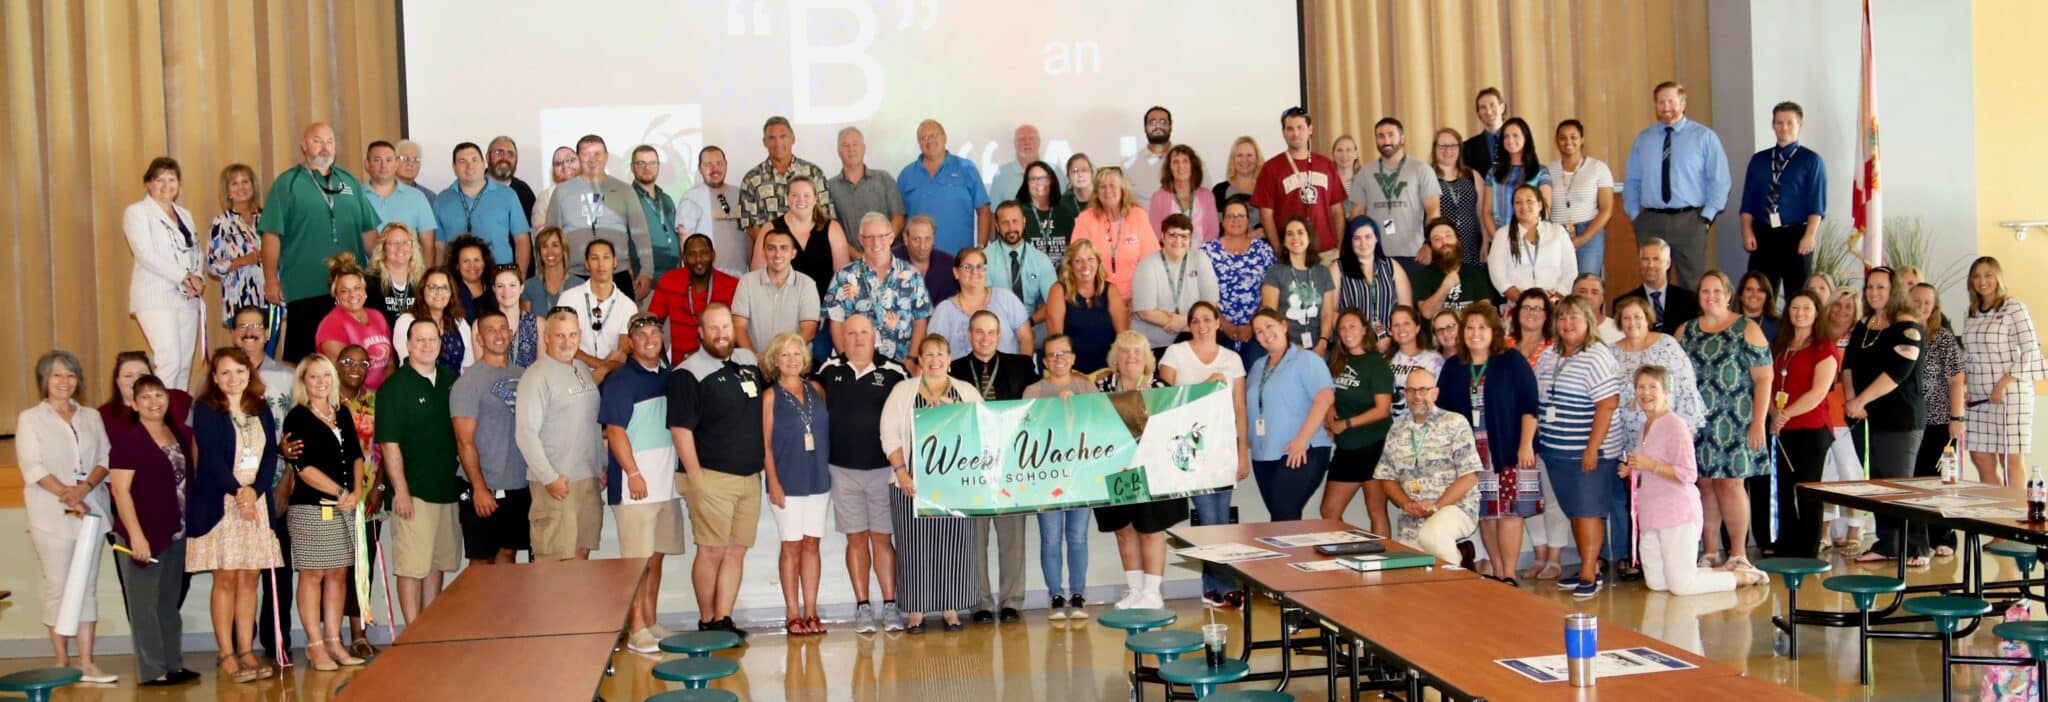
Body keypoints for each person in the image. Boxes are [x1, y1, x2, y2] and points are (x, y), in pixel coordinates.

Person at [17, 350, 118, 683]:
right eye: (57, 375)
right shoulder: (30, 418)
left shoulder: (91, 415)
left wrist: (84, 488)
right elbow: (33, 466)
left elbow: (105, 456)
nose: (64, 381)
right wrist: (67, 494)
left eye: (70, 375)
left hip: (91, 511)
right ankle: (61, 661)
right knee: (59, 586)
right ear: (44, 380)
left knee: (86, 587)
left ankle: (87, 662)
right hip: (50, 515)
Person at [1624, 365, 1768, 595]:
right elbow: (1646, 463)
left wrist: (1649, 465)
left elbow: (1688, 474)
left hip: (1676, 514)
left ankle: (1740, 576)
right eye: (1641, 387)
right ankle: (1720, 573)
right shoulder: (1646, 426)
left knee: (1681, 587)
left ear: (1666, 393)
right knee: (1658, 583)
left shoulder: (1675, 425)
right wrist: (1630, 468)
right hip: (1651, 515)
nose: (1646, 393)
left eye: (1653, 387)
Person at [188, 347, 285, 683]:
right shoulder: (206, 409)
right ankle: (226, 654)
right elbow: (211, 459)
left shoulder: (259, 408)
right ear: (214, 378)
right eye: (225, 372)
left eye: (239, 372)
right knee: (226, 579)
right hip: (222, 503)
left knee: (250, 579)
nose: (233, 379)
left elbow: (271, 455)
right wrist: (238, 491)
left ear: (249, 374)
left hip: (254, 502)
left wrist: (254, 491)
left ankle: (247, 650)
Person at [669, 304, 765, 637]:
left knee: (736, 550)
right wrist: (697, 478)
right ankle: (707, 619)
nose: (721, 334)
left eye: (726, 327)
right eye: (714, 328)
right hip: (710, 477)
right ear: (701, 332)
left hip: (749, 478)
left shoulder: (748, 362)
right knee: (711, 550)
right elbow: (680, 429)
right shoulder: (687, 373)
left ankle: (723, 619)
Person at [816, 314, 911, 633]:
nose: (857, 338)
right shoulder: (828, 371)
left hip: (884, 471)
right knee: (856, 539)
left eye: (864, 333)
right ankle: (862, 607)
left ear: (875, 337)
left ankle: (890, 605)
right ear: (842, 338)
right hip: (842, 471)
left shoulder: (895, 372)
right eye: (851, 333)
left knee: (882, 540)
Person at [881, 335, 982, 631]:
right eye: (928, 355)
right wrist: (901, 474)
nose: (935, 360)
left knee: (954, 545)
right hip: (909, 481)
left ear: (950, 359)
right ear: (920, 361)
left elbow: (982, 429)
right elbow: (889, 435)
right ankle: (916, 610)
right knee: (914, 546)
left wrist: (953, 408)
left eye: (941, 354)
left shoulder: (965, 392)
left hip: (955, 482)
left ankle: (951, 608)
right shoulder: (903, 391)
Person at [1435, 303, 1541, 584]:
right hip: (1471, 455)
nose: (1475, 333)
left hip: (1508, 448)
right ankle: (1497, 572)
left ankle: (1509, 574)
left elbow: (1530, 405)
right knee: (1486, 514)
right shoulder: (1453, 367)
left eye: (1482, 327)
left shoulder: (1511, 361)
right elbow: (1442, 414)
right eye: (1469, 327)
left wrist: (1526, 444)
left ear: (1494, 331)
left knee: (1509, 512)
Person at [1157, 303, 1253, 606]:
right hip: (1188, 447)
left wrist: (1243, 452)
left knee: (1220, 519)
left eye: (1207, 320)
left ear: (1217, 323)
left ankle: (1213, 588)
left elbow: (1239, 408)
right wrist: (1205, 384)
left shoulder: (1232, 359)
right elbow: (1165, 400)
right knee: (1209, 518)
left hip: (1222, 446)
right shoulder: (1175, 354)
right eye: (1195, 321)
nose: (1201, 325)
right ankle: (1226, 585)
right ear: (1189, 325)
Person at [107, 374, 201, 685]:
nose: (153, 402)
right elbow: (120, 492)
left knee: (168, 602)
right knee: (144, 605)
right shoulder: (128, 441)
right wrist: (136, 536)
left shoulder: (178, 435)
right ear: (134, 404)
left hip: (175, 531)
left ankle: (173, 663)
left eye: (158, 395)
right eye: (144, 397)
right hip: (143, 534)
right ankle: (153, 670)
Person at [262, 123, 383, 363]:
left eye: (330, 141)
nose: (325, 147)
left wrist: (385, 271)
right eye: (318, 141)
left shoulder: (349, 181)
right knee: (306, 361)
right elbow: (271, 235)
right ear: (304, 145)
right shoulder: (287, 184)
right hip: (305, 288)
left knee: (348, 359)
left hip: (348, 291)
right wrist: (271, 279)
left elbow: (369, 234)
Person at [1678, 270, 1773, 573]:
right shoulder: (1685, 331)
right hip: (1697, 424)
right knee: (1704, 484)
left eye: (1717, 291)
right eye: (1705, 291)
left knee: (1731, 485)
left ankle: (1738, 553)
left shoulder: (1747, 329)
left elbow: (1764, 378)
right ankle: (1709, 551)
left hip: (1736, 421)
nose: (1711, 297)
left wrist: (1758, 422)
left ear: (1729, 295)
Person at [600, 314, 684, 652]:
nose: (649, 339)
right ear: (630, 342)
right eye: (641, 334)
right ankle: (635, 629)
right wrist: (633, 473)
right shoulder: (620, 381)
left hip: (666, 487)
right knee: (636, 563)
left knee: (656, 558)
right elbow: (615, 431)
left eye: (654, 333)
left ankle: (650, 619)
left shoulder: (669, 377)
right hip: (637, 488)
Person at [951, 311, 1041, 622]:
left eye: (991, 333)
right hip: (970, 467)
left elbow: (1038, 408)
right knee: (974, 539)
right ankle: (980, 603)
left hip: (1012, 466)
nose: (985, 338)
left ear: (1000, 336)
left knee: (1012, 537)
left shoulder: (1020, 366)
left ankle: (1012, 602)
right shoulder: (954, 369)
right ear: (969, 335)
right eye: (979, 332)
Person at [280, 355, 366, 671]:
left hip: (344, 507)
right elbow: (303, 468)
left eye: (326, 376)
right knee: (313, 574)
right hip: (311, 509)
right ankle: (315, 645)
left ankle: (334, 641)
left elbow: (356, 456)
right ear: (303, 382)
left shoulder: (341, 412)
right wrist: (339, 492)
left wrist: (356, 492)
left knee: (338, 573)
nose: (321, 382)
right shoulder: (297, 418)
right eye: (313, 377)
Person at [1610, 295, 1708, 575]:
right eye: (1626, 318)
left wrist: (1682, 433)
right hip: (1630, 440)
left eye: (1638, 317)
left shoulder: (1667, 345)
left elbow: (1687, 389)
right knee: (1637, 498)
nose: (1632, 323)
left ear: (1648, 318)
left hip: (1666, 436)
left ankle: (1678, 558)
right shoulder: (1611, 351)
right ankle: (1638, 558)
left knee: (1669, 491)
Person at [1534, 296, 1624, 597]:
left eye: (1574, 318)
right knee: (1575, 511)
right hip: (1557, 451)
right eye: (1561, 318)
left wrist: (1591, 448)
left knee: (1587, 511)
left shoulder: (1598, 355)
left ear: (1588, 321)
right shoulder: (1549, 355)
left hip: (1589, 452)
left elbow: (1608, 405)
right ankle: (1591, 566)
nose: (1567, 324)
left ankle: (1588, 572)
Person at [1094, 331, 1187, 609]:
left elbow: (1174, 427)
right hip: (1115, 470)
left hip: (1151, 470)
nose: (1131, 357)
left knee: (1150, 529)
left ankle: (1153, 592)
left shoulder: (1159, 386)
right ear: (1116, 357)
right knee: (1124, 530)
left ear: (1146, 357)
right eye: (1125, 351)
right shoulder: (1099, 389)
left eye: (1137, 351)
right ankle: (1135, 590)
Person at [377, 319, 462, 623]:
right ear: (408, 344)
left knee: (436, 563)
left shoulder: (451, 381)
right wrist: (400, 491)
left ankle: (428, 631)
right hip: (413, 493)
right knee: (412, 566)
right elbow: (389, 444)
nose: (427, 346)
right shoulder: (394, 388)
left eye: (433, 340)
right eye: (420, 340)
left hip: (446, 491)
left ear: (440, 344)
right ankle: (411, 636)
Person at [1844, 268, 1930, 567]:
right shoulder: (1864, 324)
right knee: (1878, 484)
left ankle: (1916, 546)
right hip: (1868, 417)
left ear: (1894, 290)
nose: (1874, 292)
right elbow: (1849, 365)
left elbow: (1897, 373)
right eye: (1869, 287)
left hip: (1901, 419)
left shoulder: (1909, 326)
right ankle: (1887, 543)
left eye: (1881, 287)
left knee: (1901, 486)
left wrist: (1861, 399)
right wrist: (1851, 401)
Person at [752, 332, 832, 635]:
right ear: (775, 360)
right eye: (785, 355)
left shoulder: (816, 390)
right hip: (787, 479)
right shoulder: (770, 397)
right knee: (792, 546)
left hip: (818, 479)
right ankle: (792, 613)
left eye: (797, 354)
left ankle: (811, 611)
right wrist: (772, 481)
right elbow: (766, 445)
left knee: (812, 545)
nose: (792, 360)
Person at [1623, 81, 1731, 288]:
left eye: (1671, 102)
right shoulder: (1644, 139)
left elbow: (1720, 180)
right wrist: (1635, 216)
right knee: (1653, 282)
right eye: (1660, 102)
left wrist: (1706, 217)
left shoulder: (1704, 137)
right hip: (1651, 221)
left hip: (1690, 221)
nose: (1666, 107)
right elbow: (1632, 180)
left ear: (1683, 103)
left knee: (1692, 285)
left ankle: (1690, 322)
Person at [517, 310, 604, 562]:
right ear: (546, 338)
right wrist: (549, 477)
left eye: (573, 335)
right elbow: (525, 433)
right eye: (560, 336)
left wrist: (600, 465)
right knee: (554, 565)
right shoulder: (536, 375)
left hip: (587, 480)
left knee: (580, 559)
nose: (567, 342)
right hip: (556, 484)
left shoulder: (582, 369)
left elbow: (591, 423)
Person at [1376, 367, 1484, 566]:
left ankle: (1460, 585)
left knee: (1432, 536)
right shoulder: (1396, 429)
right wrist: (1406, 504)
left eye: (1424, 390)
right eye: (1411, 390)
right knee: (1408, 571)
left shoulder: (1455, 423)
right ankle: (1462, 555)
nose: (1417, 396)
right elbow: (1386, 478)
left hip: (1455, 508)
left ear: (1435, 393)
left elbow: (1469, 477)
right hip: (1412, 517)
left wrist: (1436, 506)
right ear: (1404, 394)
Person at [1023, 335, 1099, 618]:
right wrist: (1055, 406)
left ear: (1073, 358)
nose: (1058, 359)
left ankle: (1078, 593)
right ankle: (1055, 594)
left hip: (1081, 476)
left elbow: (1097, 427)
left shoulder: (1086, 388)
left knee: (1078, 536)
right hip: (1046, 477)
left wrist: (1075, 406)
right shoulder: (1033, 391)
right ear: (1044, 362)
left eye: (1063, 353)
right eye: (1052, 355)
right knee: (1051, 537)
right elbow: (1026, 433)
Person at [450, 310, 531, 567]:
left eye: (503, 328)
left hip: (518, 483)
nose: (499, 334)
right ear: (480, 338)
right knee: (482, 561)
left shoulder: (525, 375)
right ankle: (478, 610)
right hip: (484, 486)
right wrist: (479, 488)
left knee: (508, 554)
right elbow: (464, 442)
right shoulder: (469, 382)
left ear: (511, 334)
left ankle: (504, 610)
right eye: (491, 330)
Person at [1246, 309, 1337, 521]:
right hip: (1264, 454)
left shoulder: (1307, 360)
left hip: (1302, 450)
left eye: (1270, 326)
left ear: (1284, 326)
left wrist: (1301, 440)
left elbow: (1324, 399)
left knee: (1284, 515)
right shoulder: (1258, 367)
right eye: (1259, 331)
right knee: (1282, 521)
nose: (1265, 334)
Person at [1768, 291, 1840, 559]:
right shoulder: (1780, 344)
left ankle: (1809, 548)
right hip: (1783, 429)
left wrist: (1785, 414)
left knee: (1808, 490)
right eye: (1795, 307)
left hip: (1812, 429)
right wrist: (1774, 413)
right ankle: (1787, 543)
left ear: (1817, 313)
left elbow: (1818, 392)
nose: (1799, 312)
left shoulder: (1824, 347)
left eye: (1806, 308)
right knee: (1785, 489)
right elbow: (1769, 385)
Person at [1964, 256, 2046, 487]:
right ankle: (1996, 512)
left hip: (2010, 395)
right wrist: (1965, 385)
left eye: (1988, 275)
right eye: (1977, 276)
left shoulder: (2014, 308)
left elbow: (2031, 350)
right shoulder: (1971, 312)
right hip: (1979, 397)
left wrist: (2002, 384)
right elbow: (1970, 354)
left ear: (1998, 277)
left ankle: (2014, 515)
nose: (1982, 281)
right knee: (1980, 456)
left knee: (2010, 458)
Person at [126, 157, 207, 390]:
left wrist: (197, 277)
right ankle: (155, 418)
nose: (166, 185)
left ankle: (176, 420)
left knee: (183, 365)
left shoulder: (185, 214)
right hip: (156, 297)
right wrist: (183, 275)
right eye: (159, 179)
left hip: (186, 298)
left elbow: (196, 251)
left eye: (171, 179)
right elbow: (144, 253)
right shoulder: (137, 212)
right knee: (169, 359)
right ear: (148, 183)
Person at [545, 135, 653, 299]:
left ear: (606, 157)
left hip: (617, 274)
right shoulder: (561, 192)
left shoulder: (624, 190)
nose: (592, 159)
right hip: (575, 275)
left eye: (597, 154)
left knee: (622, 324)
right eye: (586, 154)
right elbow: (551, 237)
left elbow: (641, 234)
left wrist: (646, 271)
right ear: (578, 157)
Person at [1740, 102, 1828, 300]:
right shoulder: (1759, 160)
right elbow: (1748, 202)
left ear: (1800, 125)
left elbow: (1817, 204)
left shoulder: (1811, 160)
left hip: (1796, 234)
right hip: (1763, 233)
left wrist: (1809, 236)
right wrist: (1747, 232)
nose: (1784, 128)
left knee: (1797, 294)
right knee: (1759, 292)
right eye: (1779, 123)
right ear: (1773, 125)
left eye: (1789, 122)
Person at [827, 214, 935, 364]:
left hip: (901, 364)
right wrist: (846, 360)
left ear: (891, 238)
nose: (876, 242)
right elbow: (836, 322)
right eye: (869, 237)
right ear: (861, 240)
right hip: (856, 365)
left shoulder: (912, 276)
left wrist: (912, 359)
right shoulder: (843, 276)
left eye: (882, 236)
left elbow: (921, 321)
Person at [1321, 310, 1394, 528]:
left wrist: (1347, 423)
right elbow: (1328, 394)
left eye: (1352, 326)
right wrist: (1330, 407)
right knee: (1329, 511)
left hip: (1374, 445)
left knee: (1376, 510)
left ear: (1364, 330)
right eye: (1342, 328)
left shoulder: (1376, 364)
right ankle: (1346, 556)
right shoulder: (1336, 362)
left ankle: (1380, 560)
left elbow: (1383, 410)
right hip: (1346, 447)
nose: (1347, 332)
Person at [1908, 282, 1966, 556]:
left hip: (1939, 422)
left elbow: (1956, 380)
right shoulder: (1902, 335)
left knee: (1938, 482)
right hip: (1909, 423)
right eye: (1916, 301)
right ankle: (1918, 540)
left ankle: (1943, 536)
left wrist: (1957, 417)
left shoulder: (1942, 337)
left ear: (1934, 307)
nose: (1921, 306)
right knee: (1914, 482)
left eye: (1926, 302)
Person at [1255, 107, 1347, 254]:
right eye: (1290, 129)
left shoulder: (1326, 165)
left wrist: (1339, 246)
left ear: (1310, 130)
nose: (1295, 133)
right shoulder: (1271, 168)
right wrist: (1279, 250)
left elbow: (1337, 210)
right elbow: (1266, 215)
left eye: (1300, 127)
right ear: (1283, 132)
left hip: (1326, 252)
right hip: (1291, 253)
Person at [1351, 118, 1443, 262]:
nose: (1386, 140)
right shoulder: (1364, 173)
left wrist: (1429, 244)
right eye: (1380, 136)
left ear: (1402, 138)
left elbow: (1433, 211)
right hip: (1374, 254)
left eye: (1390, 135)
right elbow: (1357, 215)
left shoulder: (1421, 170)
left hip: (1415, 254)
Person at [433, 142, 531, 276]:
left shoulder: (508, 195)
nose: (469, 166)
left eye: (474, 160)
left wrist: (519, 279)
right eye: (462, 161)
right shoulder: (441, 200)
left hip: (499, 276)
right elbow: (439, 247)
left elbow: (522, 240)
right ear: (454, 167)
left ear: (484, 163)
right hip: (456, 276)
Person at [210, 164, 279, 353]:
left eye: (245, 182)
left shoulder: (268, 217)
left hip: (269, 297)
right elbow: (213, 265)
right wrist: (244, 260)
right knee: (245, 359)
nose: (241, 187)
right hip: (239, 301)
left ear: (253, 186)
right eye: (235, 183)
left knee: (268, 356)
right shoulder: (221, 222)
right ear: (227, 191)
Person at [741, 116, 838, 250]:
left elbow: (826, 217)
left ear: (793, 139)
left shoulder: (813, 173)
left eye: (783, 136)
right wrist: (778, 250)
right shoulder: (752, 179)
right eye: (772, 138)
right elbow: (751, 225)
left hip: (812, 252)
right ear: (764, 142)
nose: (778, 143)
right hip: (774, 257)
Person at [897, 119, 991, 252]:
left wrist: (981, 248)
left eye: (934, 135)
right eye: (923, 138)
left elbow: (983, 210)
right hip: (918, 261)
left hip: (959, 260)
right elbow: (900, 219)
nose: (929, 141)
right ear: (919, 144)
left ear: (944, 137)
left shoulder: (966, 168)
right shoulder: (906, 175)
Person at [1131, 214, 1220, 351]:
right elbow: (1145, 312)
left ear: (1190, 239)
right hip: (1154, 343)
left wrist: (1183, 321)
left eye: (1184, 236)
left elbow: (1210, 304)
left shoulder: (1200, 259)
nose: (1178, 241)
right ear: (1163, 236)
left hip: (1192, 336)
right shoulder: (1147, 264)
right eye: (1173, 235)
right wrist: (1178, 323)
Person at [648, 234, 739, 362]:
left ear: (713, 255)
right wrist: (664, 366)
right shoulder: (669, 281)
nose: (698, 260)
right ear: (684, 258)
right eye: (692, 254)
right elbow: (651, 325)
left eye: (704, 253)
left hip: (719, 365)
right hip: (681, 369)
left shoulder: (731, 285)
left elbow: (737, 333)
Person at [1070, 166, 1159, 299]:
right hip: (1097, 297)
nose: (1108, 191)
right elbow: (1078, 262)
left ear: (1123, 190)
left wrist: (1137, 298)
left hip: (1136, 298)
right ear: (1096, 192)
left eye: (1112, 185)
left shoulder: (1138, 216)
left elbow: (1151, 263)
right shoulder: (1085, 218)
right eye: (1102, 187)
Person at [559, 240, 640, 381]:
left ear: (615, 262)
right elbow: (563, 344)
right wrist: (602, 366)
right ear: (587, 264)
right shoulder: (569, 298)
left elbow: (622, 353)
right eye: (594, 258)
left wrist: (605, 370)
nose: (601, 264)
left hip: (612, 378)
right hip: (572, 375)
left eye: (606, 257)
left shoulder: (628, 306)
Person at [1205, 197, 1276, 359]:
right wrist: (1223, 324)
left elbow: (1271, 292)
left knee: (1255, 374)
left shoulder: (1263, 250)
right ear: (1222, 221)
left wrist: (1253, 325)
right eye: (1230, 216)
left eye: (1240, 216)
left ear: (1248, 220)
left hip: (1257, 329)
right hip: (1216, 328)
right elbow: (1200, 295)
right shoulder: (1207, 251)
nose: (1235, 220)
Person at [932, 247, 1036, 357]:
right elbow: (934, 351)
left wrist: (1024, 370)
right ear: (956, 272)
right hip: (959, 374)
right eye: (967, 267)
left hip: (1008, 373)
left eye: (979, 266)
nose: (974, 271)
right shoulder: (944, 311)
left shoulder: (1006, 299)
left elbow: (1026, 338)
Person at [734, 229, 822, 354]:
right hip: (756, 363)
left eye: (784, 248)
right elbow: (738, 327)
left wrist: (783, 358)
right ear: (763, 252)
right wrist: (754, 357)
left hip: (794, 365)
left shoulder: (807, 284)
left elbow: (809, 331)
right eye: (771, 248)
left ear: (793, 253)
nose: (777, 254)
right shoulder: (747, 282)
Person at [314, 253, 394, 389]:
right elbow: (346, 375)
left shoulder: (377, 316)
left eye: (357, 288)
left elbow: (390, 363)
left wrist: (385, 395)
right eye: (345, 291)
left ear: (365, 290)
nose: (352, 295)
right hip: (352, 401)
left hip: (383, 396)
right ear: (336, 295)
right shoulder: (331, 325)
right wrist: (369, 402)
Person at [1548, 120, 1617, 277]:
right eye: (1563, 138)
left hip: (1589, 232)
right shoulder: (1548, 170)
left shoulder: (1598, 168)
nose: (1568, 142)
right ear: (1557, 141)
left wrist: (1584, 237)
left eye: (1573, 137)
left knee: (1587, 283)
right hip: (1557, 233)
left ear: (1582, 139)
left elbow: (1606, 209)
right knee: (1559, 286)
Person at [1262, 217, 1338, 354]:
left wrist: (1322, 343)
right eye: (1289, 234)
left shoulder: (1323, 272)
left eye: (1300, 232)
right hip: (1285, 347)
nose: (1295, 238)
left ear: (1309, 238)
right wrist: (1292, 347)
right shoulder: (1275, 272)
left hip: (1318, 348)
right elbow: (1269, 317)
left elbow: (1327, 314)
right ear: (1284, 241)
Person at [1488, 185, 1577, 301]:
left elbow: (1571, 270)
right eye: (1518, 202)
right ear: (1513, 208)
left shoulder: (1557, 231)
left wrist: (1554, 300)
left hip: (1554, 303)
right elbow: (1498, 274)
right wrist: (1523, 303)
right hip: (1518, 304)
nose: (1524, 206)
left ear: (1540, 205)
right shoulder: (1502, 235)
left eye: (1529, 200)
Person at [678, 146, 753, 277]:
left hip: (740, 277)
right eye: (708, 164)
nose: (714, 169)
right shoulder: (691, 198)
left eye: (719, 163)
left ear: (726, 165)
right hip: (706, 279)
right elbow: (685, 240)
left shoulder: (740, 195)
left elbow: (750, 235)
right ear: (700, 168)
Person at [985, 200, 1058, 334]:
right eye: (1005, 223)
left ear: (1024, 222)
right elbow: (982, 303)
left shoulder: (1041, 260)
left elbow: (1054, 302)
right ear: (996, 226)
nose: (1011, 227)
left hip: (1032, 323)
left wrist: (1029, 323)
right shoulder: (985, 259)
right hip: (995, 328)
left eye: (1015, 221)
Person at [361, 141, 440, 264]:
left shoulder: (417, 197)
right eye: (377, 160)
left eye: (388, 160)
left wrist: (425, 280)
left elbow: (428, 247)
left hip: (410, 278)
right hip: (366, 278)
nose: (383, 166)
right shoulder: (356, 198)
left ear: (395, 164)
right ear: (367, 164)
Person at [1335, 217, 1413, 339]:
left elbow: (1407, 312)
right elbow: (1331, 313)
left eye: (1368, 237)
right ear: (1350, 242)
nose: (1363, 243)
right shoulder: (1337, 268)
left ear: (1376, 238)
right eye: (1357, 238)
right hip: (1353, 344)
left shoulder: (1392, 266)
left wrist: (1392, 339)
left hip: (1391, 342)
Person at [1478, 118, 1552, 242]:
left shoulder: (1541, 172)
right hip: (1501, 239)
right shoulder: (1493, 173)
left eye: (1515, 135)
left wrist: (1530, 239)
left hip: (1532, 240)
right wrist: (1499, 240)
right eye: (1506, 136)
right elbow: (1487, 212)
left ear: (1526, 138)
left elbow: (1545, 209)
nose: (1510, 140)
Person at [392, 268, 475, 374]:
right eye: (432, 287)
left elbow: (468, 366)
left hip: (457, 388)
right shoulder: (406, 322)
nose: (439, 292)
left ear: (451, 293)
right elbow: (408, 365)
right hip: (419, 387)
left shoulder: (460, 323)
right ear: (422, 291)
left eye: (445, 288)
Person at [1412, 217, 1499, 318]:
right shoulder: (1423, 276)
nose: (1444, 242)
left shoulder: (1477, 273)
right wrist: (1446, 285)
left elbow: (1484, 314)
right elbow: (1427, 313)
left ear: (1458, 241)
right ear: (1431, 247)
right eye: (1437, 239)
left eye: (1448, 236)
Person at [1615, 238, 1701, 335]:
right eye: (1645, 259)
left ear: (1668, 263)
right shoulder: (1623, 304)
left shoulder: (1689, 300)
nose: (1650, 265)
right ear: (1640, 263)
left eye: (1656, 259)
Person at [1430, 128, 1487, 268]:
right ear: (1435, 149)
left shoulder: (1473, 176)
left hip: (1471, 246)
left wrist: (1486, 242)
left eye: (1453, 145)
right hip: (1442, 248)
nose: (1447, 150)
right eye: (1442, 146)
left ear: (1459, 149)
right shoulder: (1427, 177)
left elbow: (1482, 213)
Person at [627, 145, 681, 283]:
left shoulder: (666, 199)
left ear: (658, 166)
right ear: (632, 167)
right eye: (641, 163)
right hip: (644, 280)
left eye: (652, 163)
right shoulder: (626, 198)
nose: (647, 168)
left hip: (672, 278)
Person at [1149, 145, 1219, 245]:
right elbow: (1155, 236)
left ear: (1192, 166)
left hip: (1201, 256)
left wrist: (1199, 255)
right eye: (1175, 162)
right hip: (1170, 256)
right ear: (1169, 168)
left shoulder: (1207, 196)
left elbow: (1213, 233)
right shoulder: (1159, 198)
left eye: (1185, 161)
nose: (1180, 166)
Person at [1386, 305, 1444, 419]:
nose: (1401, 329)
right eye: (1396, 325)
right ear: (1391, 331)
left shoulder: (1435, 360)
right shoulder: (1385, 362)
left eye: (1406, 323)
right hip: (1393, 430)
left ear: (1417, 328)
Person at [1017, 161, 1078, 264]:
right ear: (1026, 184)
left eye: (1043, 178)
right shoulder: (1019, 212)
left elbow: (1074, 248)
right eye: (1033, 179)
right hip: (1031, 275)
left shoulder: (1065, 212)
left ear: (1051, 181)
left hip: (1063, 275)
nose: (1039, 182)